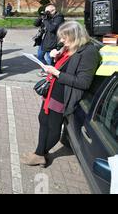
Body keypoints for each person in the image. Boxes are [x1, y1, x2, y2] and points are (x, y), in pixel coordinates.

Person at [21, 21, 100, 167]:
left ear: (76, 36)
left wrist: (56, 72)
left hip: (63, 96)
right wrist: (55, 58)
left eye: (65, 37)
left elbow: (83, 82)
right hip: (51, 91)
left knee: (53, 126)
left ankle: (39, 154)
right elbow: (65, 67)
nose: (61, 40)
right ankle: (40, 152)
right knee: (43, 119)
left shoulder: (89, 52)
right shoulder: (70, 48)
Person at [35, 4, 65, 76]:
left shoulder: (59, 17)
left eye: (47, 12)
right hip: (44, 41)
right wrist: (41, 17)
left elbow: (51, 28)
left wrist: (45, 19)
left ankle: (50, 73)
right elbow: (35, 24)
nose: (46, 13)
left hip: (52, 42)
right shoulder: (47, 17)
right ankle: (46, 70)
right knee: (39, 56)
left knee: (49, 59)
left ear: (53, 11)